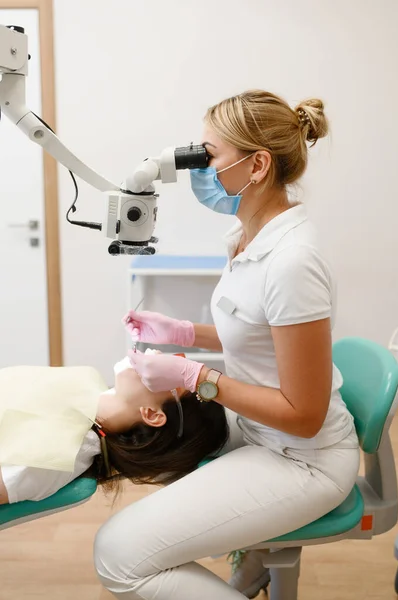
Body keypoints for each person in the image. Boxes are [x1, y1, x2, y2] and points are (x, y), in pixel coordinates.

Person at [93, 89, 360, 600]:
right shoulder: (244, 239)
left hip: (304, 456)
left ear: (257, 165)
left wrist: (198, 378)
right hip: (261, 431)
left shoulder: (292, 262)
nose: (199, 168)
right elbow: (260, 335)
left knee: (118, 555)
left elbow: (304, 415)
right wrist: (185, 334)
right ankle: (253, 565)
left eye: (208, 155)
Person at [0, 355, 229, 505]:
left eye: (177, 376)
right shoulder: (88, 380)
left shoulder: (64, 453)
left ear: (151, 414)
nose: (160, 359)